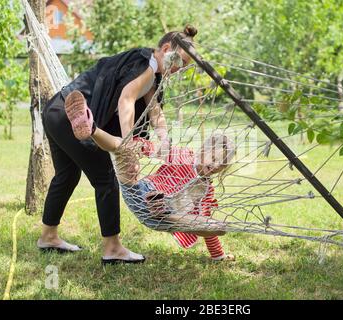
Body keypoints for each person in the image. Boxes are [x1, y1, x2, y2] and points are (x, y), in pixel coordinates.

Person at [37, 25, 197, 265]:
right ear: (166, 49)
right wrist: (128, 145)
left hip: (55, 110)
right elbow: (126, 100)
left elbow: (154, 110)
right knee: (106, 179)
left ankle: (48, 236)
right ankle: (112, 248)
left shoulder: (147, 70)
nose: (179, 69)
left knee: (67, 175)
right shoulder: (147, 65)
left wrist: (164, 139)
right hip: (72, 118)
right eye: (180, 62)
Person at [64, 90, 235, 262]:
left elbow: (203, 222)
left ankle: (161, 209)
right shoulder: (184, 157)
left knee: (218, 226)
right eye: (213, 158)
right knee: (124, 149)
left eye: (221, 164)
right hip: (142, 194)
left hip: (170, 218)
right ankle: (90, 127)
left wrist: (218, 255)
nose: (215, 166)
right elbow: (156, 150)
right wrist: (138, 145)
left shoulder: (206, 191)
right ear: (203, 150)